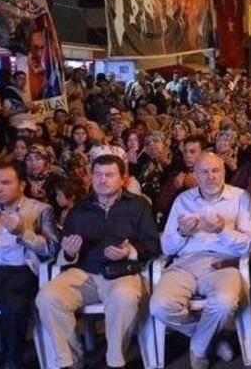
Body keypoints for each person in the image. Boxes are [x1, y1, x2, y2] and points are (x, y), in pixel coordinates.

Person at [36, 154, 159, 369]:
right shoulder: (79, 209)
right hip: (84, 273)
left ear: (122, 179)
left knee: (124, 297)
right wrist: (69, 253)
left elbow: (153, 245)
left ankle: (115, 361)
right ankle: (71, 361)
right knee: (47, 297)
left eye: (109, 175)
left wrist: (128, 251)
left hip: (121, 272)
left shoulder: (138, 205)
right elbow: (65, 253)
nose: (102, 180)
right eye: (98, 175)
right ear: (91, 177)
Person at [150, 152, 251, 369]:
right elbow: (167, 247)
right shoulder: (183, 200)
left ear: (224, 172)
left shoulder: (240, 197)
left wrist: (222, 230)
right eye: (204, 172)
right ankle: (209, 339)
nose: (211, 176)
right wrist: (181, 232)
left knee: (225, 303)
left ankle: (199, 348)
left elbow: (249, 245)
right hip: (185, 263)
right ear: (195, 175)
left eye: (216, 171)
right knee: (159, 306)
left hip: (222, 263)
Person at [0, 162, 58, 369]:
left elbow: (52, 249)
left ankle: (12, 363)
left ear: (21, 185)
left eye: (5, 183)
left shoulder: (41, 209)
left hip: (22, 269)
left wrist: (23, 233)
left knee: (13, 304)